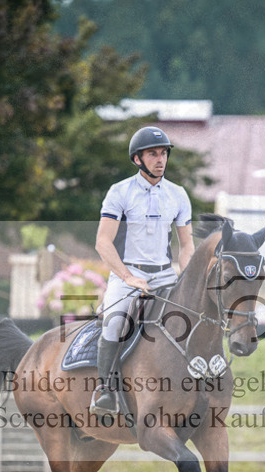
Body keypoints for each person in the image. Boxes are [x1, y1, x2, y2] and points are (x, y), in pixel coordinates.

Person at [90, 126, 195, 416]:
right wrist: (127, 277)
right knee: (114, 322)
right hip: (129, 274)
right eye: (153, 154)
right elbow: (103, 242)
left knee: (193, 317)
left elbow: (187, 246)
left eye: (163, 153)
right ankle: (105, 391)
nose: (160, 159)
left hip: (165, 275)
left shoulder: (178, 194)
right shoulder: (119, 192)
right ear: (138, 159)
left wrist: (186, 278)